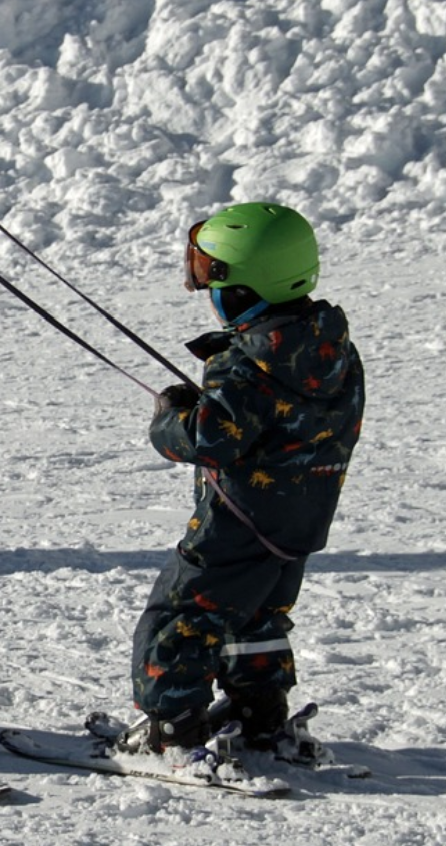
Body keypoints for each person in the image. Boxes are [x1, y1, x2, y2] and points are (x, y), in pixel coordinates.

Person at [118, 202, 365, 759]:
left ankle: (173, 729)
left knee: (181, 617)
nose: (204, 286)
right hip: (298, 521)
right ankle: (260, 714)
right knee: (257, 614)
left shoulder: (248, 364)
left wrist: (172, 416)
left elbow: (210, 438)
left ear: (241, 286)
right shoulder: (332, 350)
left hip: (239, 520)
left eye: (209, 274)